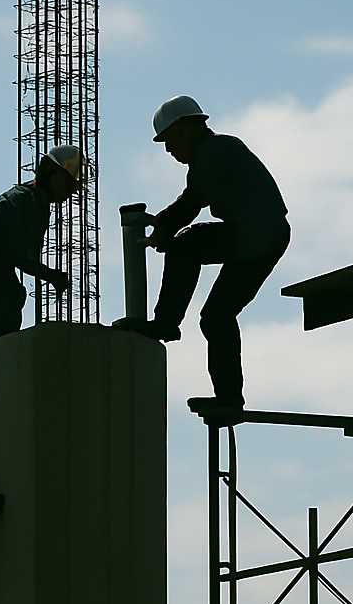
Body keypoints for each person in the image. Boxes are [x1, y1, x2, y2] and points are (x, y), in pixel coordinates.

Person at [115, 96, 289, 424]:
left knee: (187, 246)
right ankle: (229, 398)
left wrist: (165, 228)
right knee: (215, 317)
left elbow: (191, 202)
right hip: (264, 235)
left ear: (186, 128)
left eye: (169, 141)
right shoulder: (214, 153)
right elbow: (192, 199)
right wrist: (165, 228)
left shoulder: (213, 152)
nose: (168, 151)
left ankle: (166, 323)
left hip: (257, 234)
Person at [0, 145, 81, 348]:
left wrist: (49, 274)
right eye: (66, 183)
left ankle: (3, 346)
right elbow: (19, 257)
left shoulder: (40, 207)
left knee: (12, 293)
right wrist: (52, 276)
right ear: (50, 170)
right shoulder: (18, 201)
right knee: (5, 294)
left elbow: (25, 257)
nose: (68, 192)